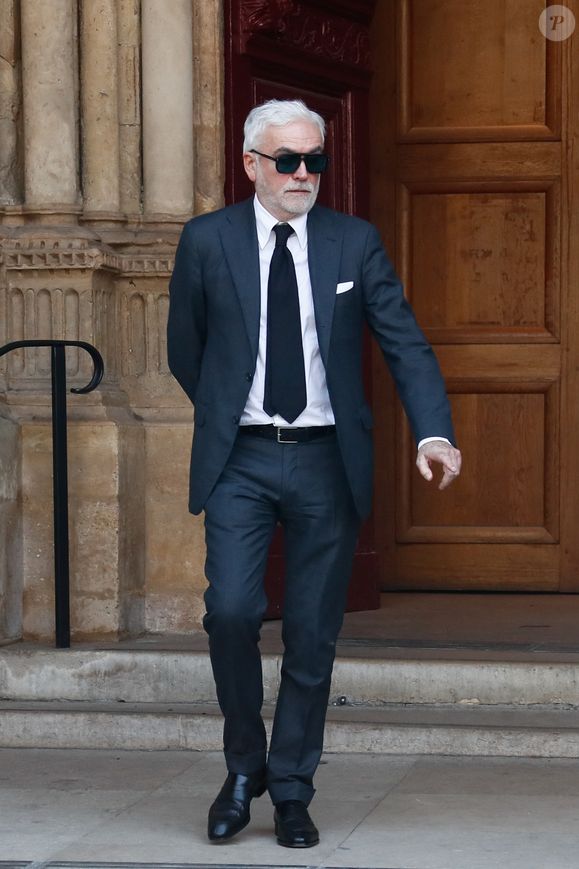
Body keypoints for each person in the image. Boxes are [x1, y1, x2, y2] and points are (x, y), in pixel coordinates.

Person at [167, 99, 462, 849]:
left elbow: (405, 343)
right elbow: (186, 349)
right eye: (288, 161)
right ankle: (243, 768)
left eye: (315, 160)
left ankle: (292, 787)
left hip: (328, 459)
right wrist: (228, 411)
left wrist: (433, 430)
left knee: (311, 633)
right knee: (231, 611)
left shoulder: (353, 242)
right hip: (242, 456)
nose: (304, 175)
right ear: (251, 165)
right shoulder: (206, 240)